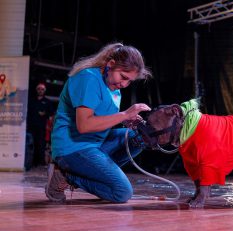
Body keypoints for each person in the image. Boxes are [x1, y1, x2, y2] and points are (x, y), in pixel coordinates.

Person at [45, 42, 152, 203]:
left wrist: (126, 120)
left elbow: (103, 121)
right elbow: (85, 125)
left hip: (95, 145)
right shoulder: (89, 78)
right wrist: (124, 114)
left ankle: (91, 172)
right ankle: (68, 176)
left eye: (129, 81)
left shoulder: (115, 88)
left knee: (138, 136)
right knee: (122, 193)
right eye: (123, 77)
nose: (124, 84)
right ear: (110, 64)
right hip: (72, 148)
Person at [27, 82, 55, 168]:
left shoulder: (48, 102)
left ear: (45, 91)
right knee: (31, 144)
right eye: (39, 89)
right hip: (31, 126)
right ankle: (31, 162)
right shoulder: (31, 100)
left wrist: (45, 113)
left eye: (42, 89)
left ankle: (41, 162)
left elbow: (51, 113)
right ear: (36, 90)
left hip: (42, 127)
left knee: (41, 145)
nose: (40, 90)